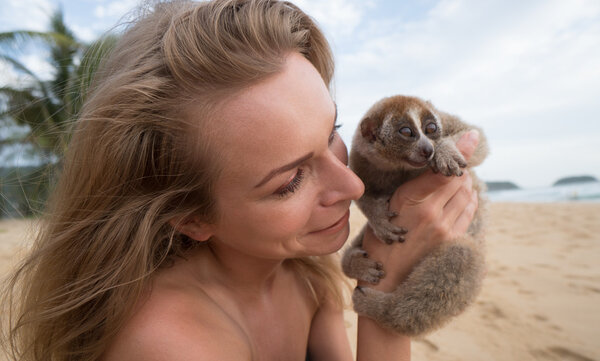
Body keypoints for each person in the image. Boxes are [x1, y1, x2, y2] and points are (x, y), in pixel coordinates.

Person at [1, 1, 479, 360]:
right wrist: (388, 297)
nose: (354, 187)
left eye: (331, 131)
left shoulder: (305, 276)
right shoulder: (170, 344)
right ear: (192, 217)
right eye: (290, 181)